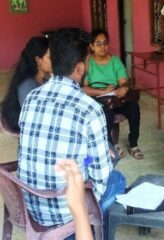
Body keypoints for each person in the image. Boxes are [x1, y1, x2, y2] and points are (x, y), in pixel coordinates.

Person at [17, 28, 126, 229]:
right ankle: (88, 231)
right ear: (79, 68)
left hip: (30, 204)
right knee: (117, 179)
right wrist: (106, 157)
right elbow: (100, 177)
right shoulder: (89, 108)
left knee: (90, 158)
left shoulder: (32, 97)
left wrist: (87, 158)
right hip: (67, 210)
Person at [83, 29, 143, 159]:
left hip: (116, 97)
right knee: (107, 116)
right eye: (98, 43)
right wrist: (103, 91)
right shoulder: (88, 63)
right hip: (98, 98)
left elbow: (123, 81)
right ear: (91, 46)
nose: (102, 47)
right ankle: (110, 145)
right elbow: (84, 88)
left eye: (105, 43)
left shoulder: (115, 61)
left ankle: (133, 143)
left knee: (134, 109)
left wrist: (123, 87)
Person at [1, 36, 51, 133]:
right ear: (38, 60)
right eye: (50, 57)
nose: (55, 61)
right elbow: (33, 121)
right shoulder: (27, 86)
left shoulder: (44, 78)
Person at [55, 159, 93, 240]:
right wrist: (79, 208)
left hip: (33, 214)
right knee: (118, 179)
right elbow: (101, 177)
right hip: (68, 218)